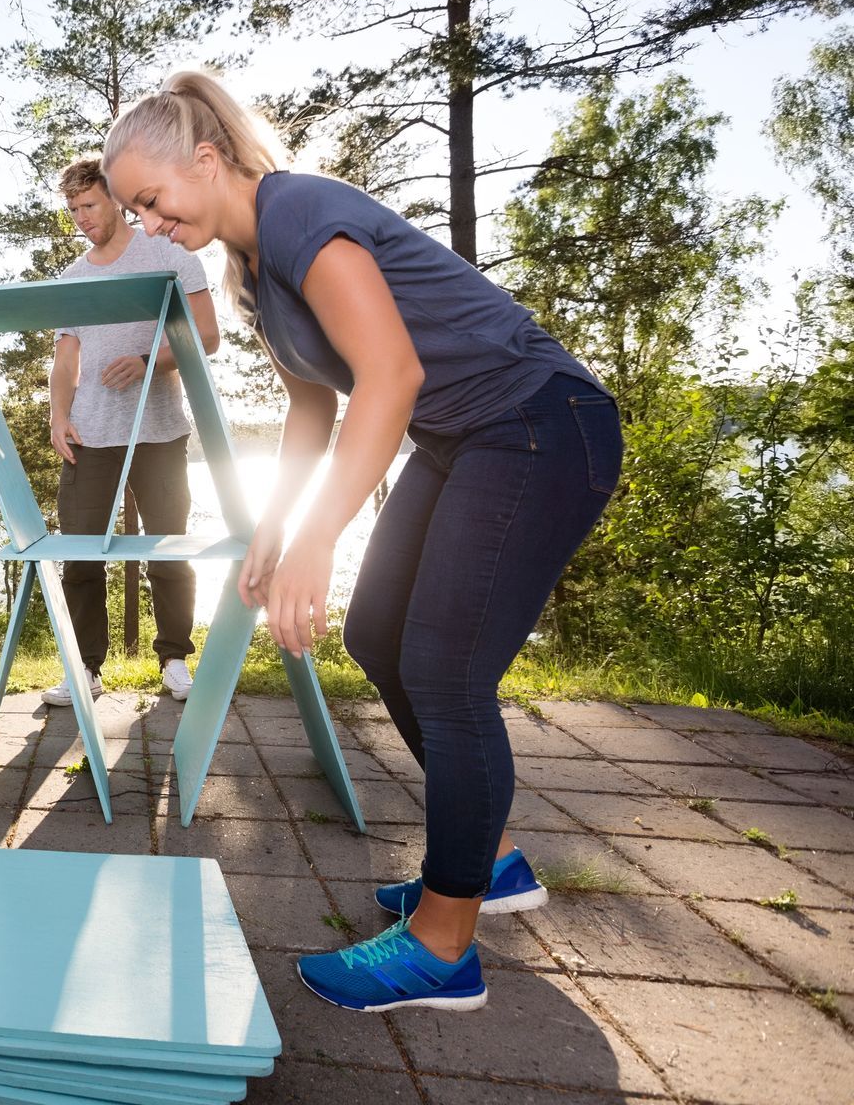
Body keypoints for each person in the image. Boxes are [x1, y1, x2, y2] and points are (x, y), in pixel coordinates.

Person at [103, 70, 621, 1014]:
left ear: (207, 161)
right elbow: (313, 406)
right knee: (379, 637)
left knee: (446, 672)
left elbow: (390, 373)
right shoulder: (252, 270)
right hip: (465, 436)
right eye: (135, 208)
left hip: (540, 424)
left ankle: (444, 945)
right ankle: (487, 864)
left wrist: (321, 541)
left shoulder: (300, 211)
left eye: (153, 199)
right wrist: (273, 525)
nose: (147, 223)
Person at [44, 156, 219, 707]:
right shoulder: (73, 277)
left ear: (116, 199)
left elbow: (206, 336)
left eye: (90, 205)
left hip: (160, 431)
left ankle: (173, 659)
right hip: (90, 437)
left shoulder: (168, 255)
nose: (81, 217)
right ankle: (85, 670)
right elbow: (65, 357)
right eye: (72, 209)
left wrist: (149, 360)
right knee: (80, 555)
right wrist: (57, 416)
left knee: (168, 549)